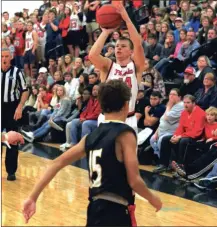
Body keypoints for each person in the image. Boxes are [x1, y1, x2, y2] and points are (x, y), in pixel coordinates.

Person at [22, 80, 162, 225]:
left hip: (94, 208)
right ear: (127, 105)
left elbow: (57, 163)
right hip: (115, 211)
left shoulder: (90, 137)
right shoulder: (125, 134)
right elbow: (134, 180)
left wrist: (32, 197)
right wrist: (153, 199)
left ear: (101, 106)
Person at [89, 3, 145, 133]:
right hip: (107, 117)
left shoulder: (136, 66)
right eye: (117, 46)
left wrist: (126, 19)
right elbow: (92, 55)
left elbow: (137, 43)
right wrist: (105, 32)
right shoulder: (108, 65)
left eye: (123, 46)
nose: (119, 48)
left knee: (128, 154)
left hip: (128, 118)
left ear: (131, 52)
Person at [1, 48, 29, 181]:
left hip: (12, 108)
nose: (4, 59)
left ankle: (11, 171)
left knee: (12, 140)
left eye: (6, 56)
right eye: (2, 56)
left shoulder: (17, 72)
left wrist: (20, 106)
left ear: (11, 57)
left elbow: (25, 90)